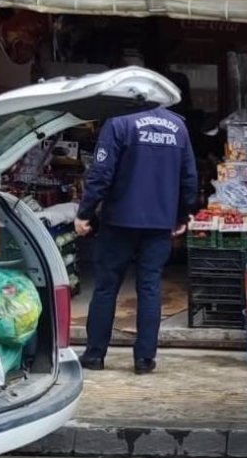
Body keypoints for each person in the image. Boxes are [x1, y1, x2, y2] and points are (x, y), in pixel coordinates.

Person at [75, 94, 199, 375]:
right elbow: (189, 177)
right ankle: (144, 359)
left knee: (106, 287)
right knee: (150, 288)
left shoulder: (118, 122)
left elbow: (100, 174)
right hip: (158, 224)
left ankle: (95, 355)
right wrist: (181, 216)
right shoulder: (178, 127)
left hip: (119, 221)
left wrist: (85, 213)